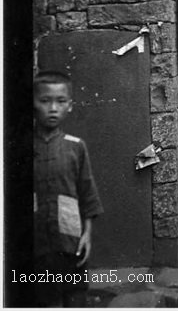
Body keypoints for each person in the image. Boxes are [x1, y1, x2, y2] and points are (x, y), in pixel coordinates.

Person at [33, 70, 103, 307]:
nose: (53, 108)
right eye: (45, 101)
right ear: (33, 103)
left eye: (60, 101)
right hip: (36, 244)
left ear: (70, 106)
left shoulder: (76, 147)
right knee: (43, 298)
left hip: (71, 241)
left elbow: (87, 193)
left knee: (75, 296)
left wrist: (87, 235)